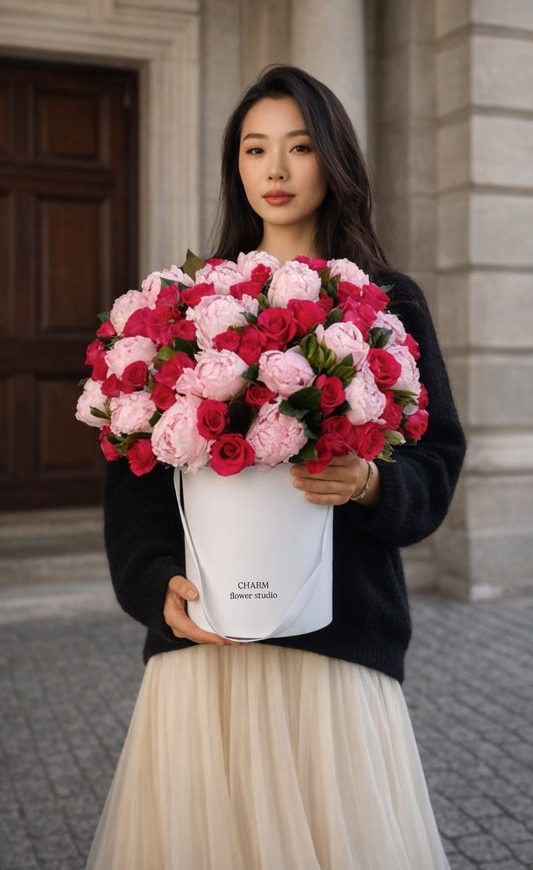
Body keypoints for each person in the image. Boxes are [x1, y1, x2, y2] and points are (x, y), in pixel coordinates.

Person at [86, 65, 466, 869]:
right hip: (207, 644)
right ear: (236, 166)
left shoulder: (388, 301)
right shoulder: (182, 304)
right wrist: (154, 582)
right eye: (256, 149)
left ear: (333, 159)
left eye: (299, 147)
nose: (277, 169)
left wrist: (370, 482)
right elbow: (135, 473)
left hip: (338, 646)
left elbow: (437, 458)